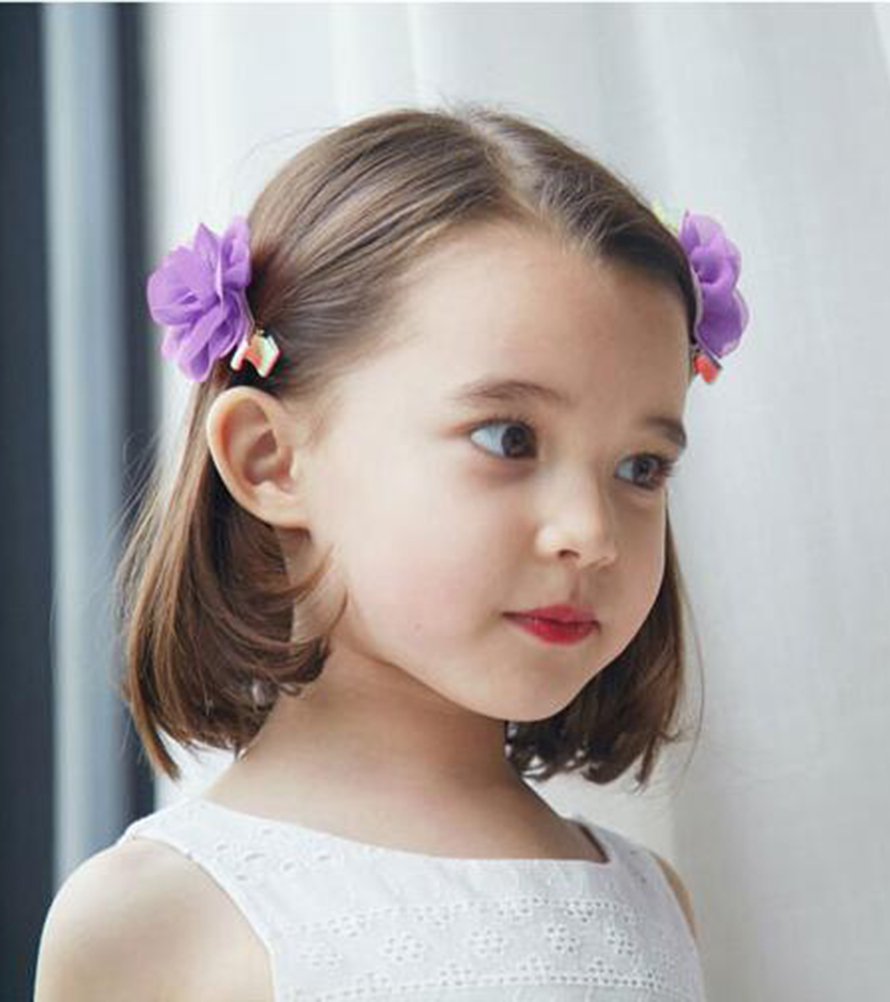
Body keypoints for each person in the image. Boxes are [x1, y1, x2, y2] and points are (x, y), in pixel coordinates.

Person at [34, 101, 747, 1002]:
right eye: (509, 439)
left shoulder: (651, 903)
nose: (592, 533)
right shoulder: (157, 922)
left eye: (640, 467)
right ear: (270, 460)